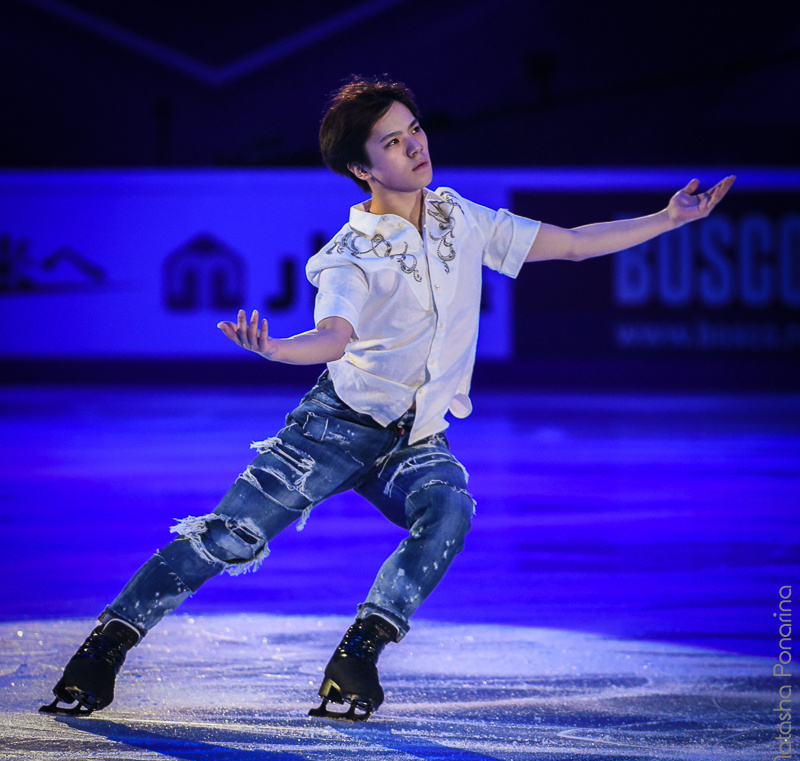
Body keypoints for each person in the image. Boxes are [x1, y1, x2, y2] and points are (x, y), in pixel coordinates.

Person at [40, 77, 735, 721]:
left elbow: (574, 244)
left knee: (449, 510)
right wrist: (280, 349)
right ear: (362, 168)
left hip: (415, 437)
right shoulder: (350, 253)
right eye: (394, 141)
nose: (416, 144)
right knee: (229, 535)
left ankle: (359, 651)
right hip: (334, 429)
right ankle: (107, 643)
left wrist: (669, 220)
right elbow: (335, 335)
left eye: (415, 129)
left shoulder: (459, 218)